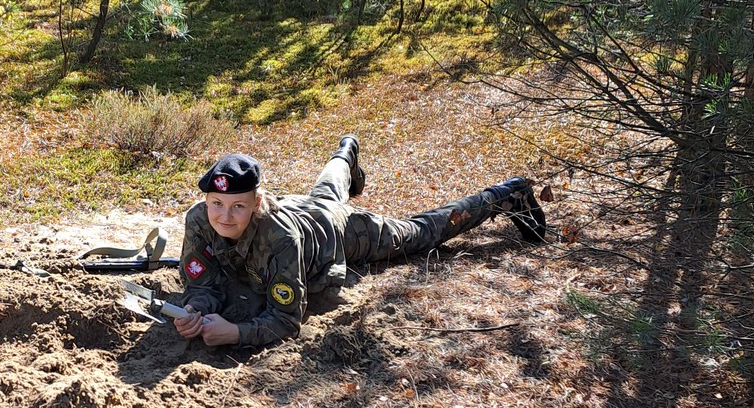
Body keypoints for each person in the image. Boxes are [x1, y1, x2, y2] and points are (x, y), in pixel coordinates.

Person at [175, 135, 546, 349]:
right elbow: (202, 283)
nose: (225, 216)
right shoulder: (199, 219)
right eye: (216, 204)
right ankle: (345, 154)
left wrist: (235, 333)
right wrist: (194, 309)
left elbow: (286, 321)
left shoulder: (280, 237)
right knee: (324, 193)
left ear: (257, 203)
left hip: (335, 230)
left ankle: (506, 195)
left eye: (238, 206)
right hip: (303, 207)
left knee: (418, 233)